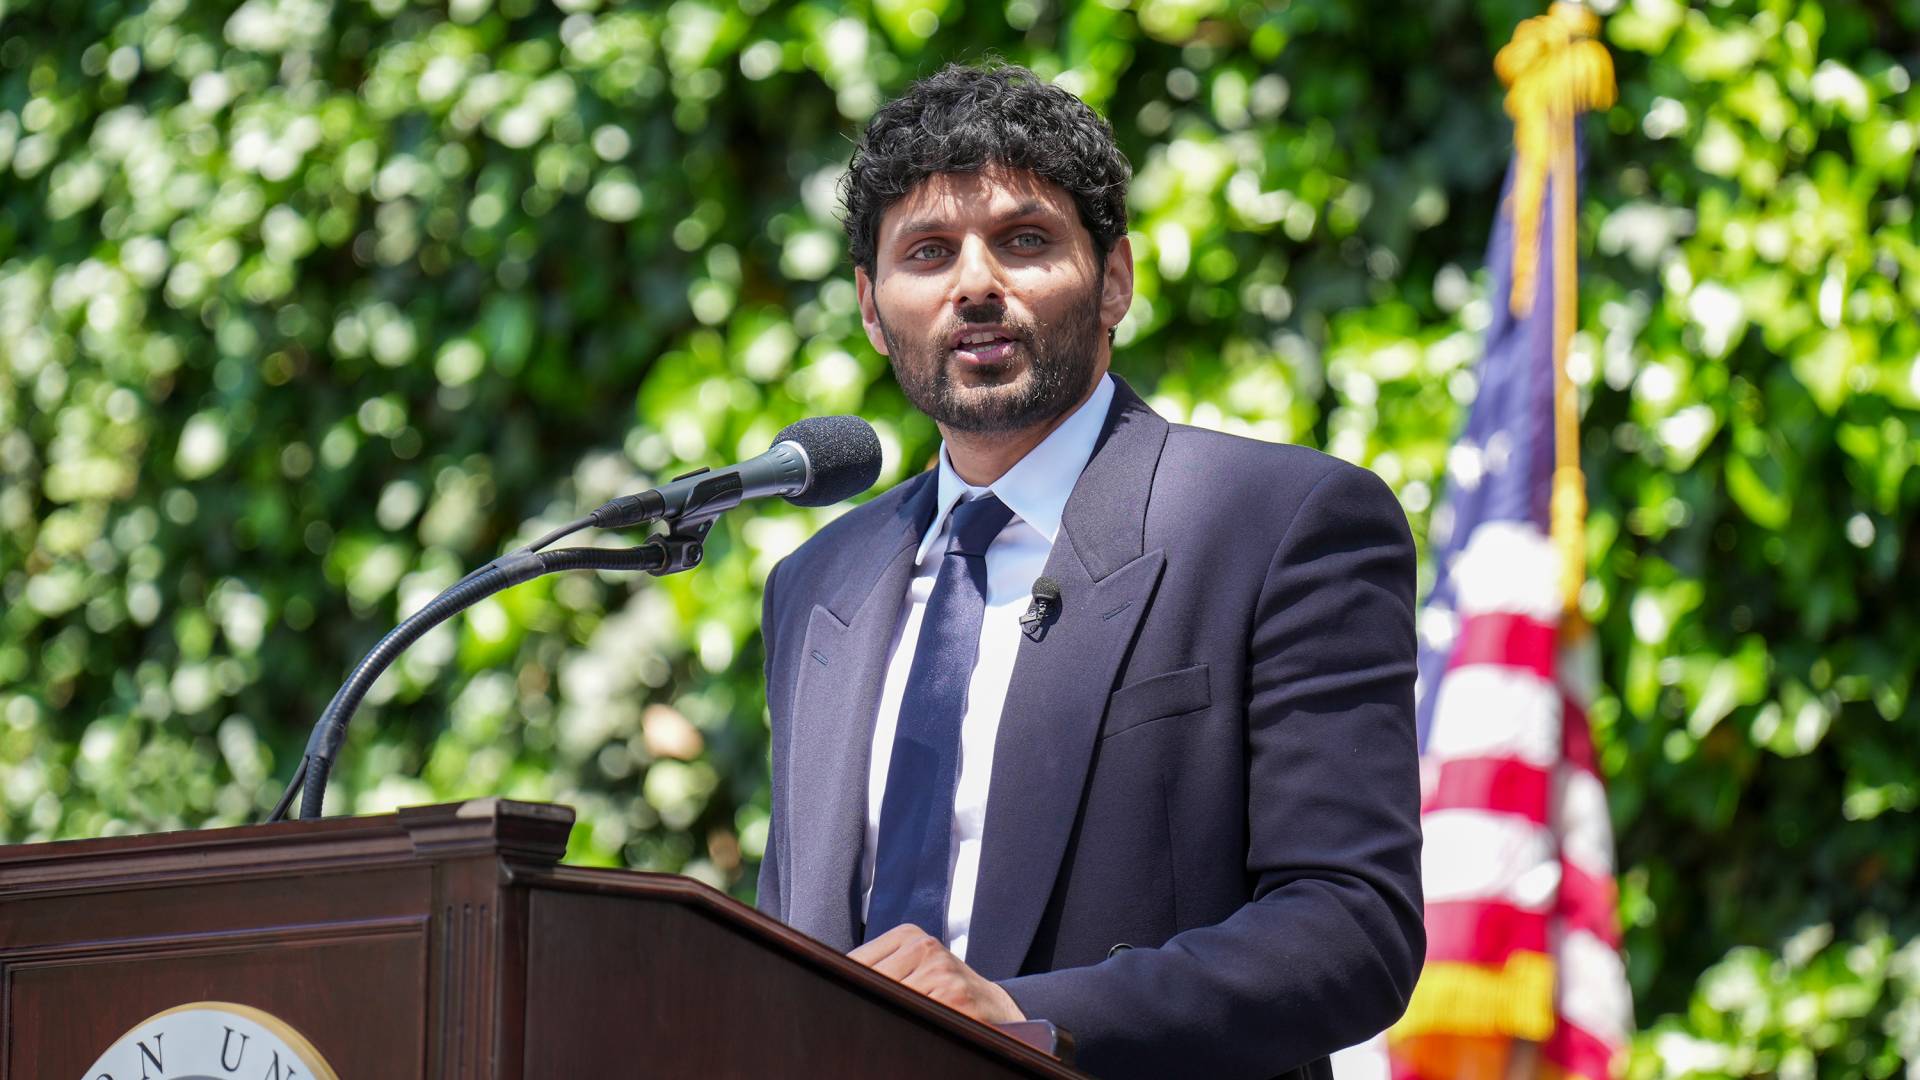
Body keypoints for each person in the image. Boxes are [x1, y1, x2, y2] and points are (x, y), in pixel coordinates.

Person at [755, 63, 1424, 1080]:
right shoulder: (817, 586)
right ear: (872, 307)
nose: (975, 284)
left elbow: (1351, 929)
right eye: (927, 253)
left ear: (1115, 278)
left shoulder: (1280, 525)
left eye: (1024, 241)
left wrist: (1020, 1015)